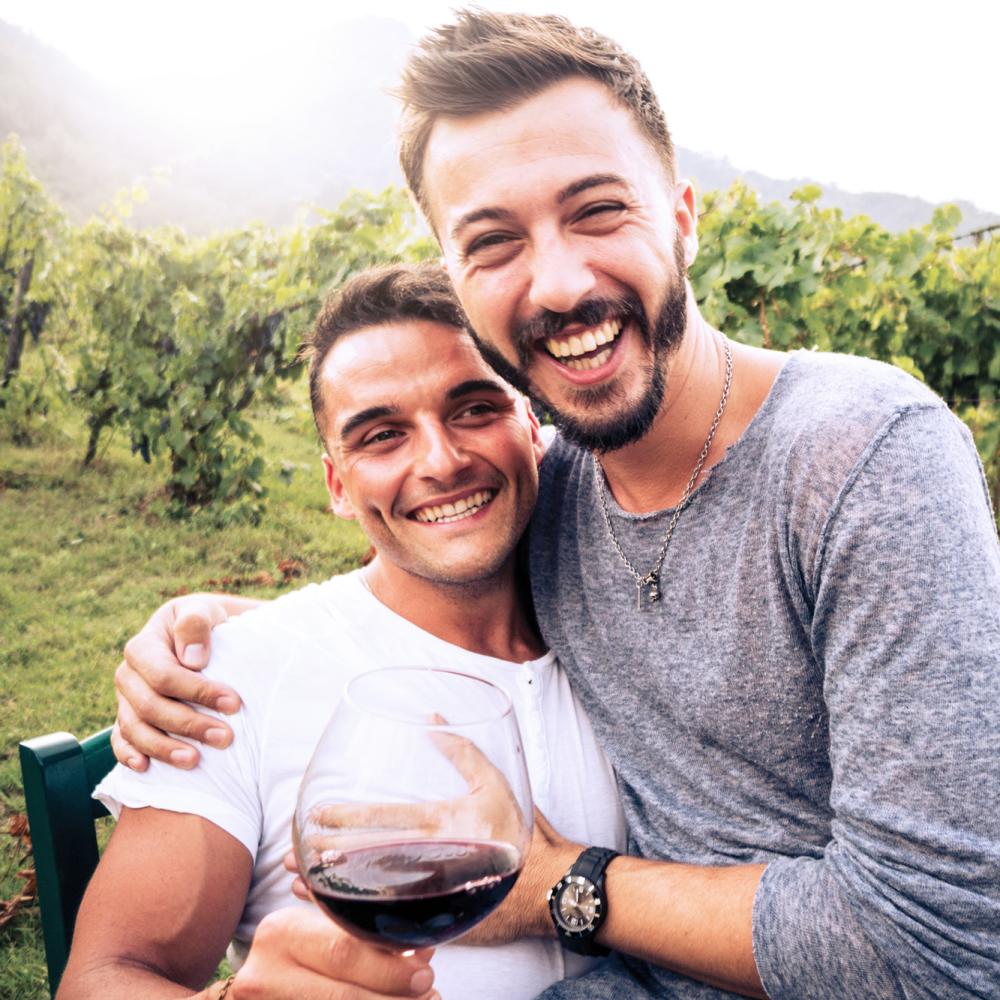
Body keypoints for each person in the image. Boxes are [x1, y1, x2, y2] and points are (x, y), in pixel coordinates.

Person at [114, 10, 1000, 999]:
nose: (561, 283)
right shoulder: (556, 487)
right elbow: (424, 563)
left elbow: (937, 952)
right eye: (492, 241)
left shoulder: (866, 459)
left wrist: (561, 887)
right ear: (456, 276)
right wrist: (212, 634)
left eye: (597, 210)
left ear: (683, 215)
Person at [59, 263, 627, 1000]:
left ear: (534, 425)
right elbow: (101, 980)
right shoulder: (229, 683)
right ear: (336, 485)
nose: (442, 460)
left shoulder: (630, 643)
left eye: (475, 408)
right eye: (383, 435)